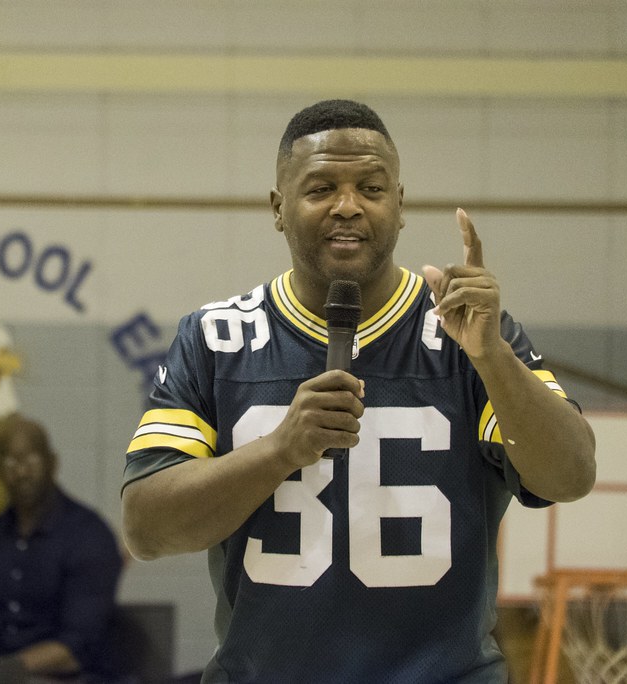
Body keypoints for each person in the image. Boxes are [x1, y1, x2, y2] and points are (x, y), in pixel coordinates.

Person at [120, 99, 597, 683]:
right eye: (321, 188)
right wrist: (280, 450)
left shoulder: (470, 333)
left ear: (399, 206)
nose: (348, 207)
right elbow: (145, 528)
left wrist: (492, 356)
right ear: (278, 207)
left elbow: (571, 476)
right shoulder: (215, 339)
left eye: (371, 188)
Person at [0, 414, 125, 682]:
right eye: (10, 461)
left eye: (31, 460)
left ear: (52, 463)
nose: (21, 472)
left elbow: (74, 649)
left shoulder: (89, 535)